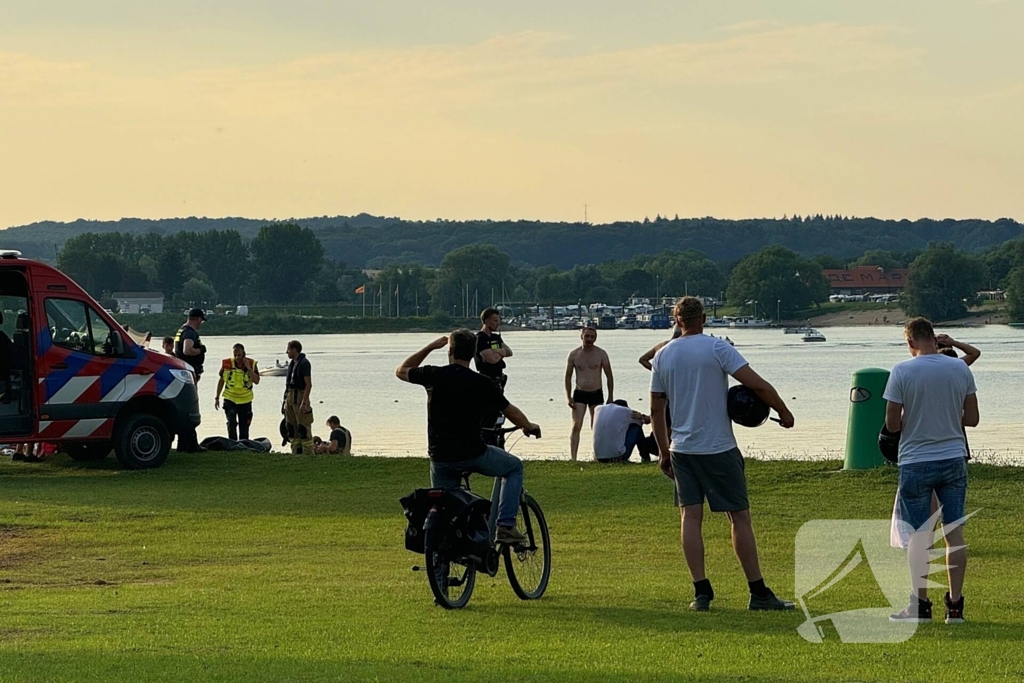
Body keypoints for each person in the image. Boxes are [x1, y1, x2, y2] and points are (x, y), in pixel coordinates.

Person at [650, 296, 795, 612]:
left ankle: (701, 592)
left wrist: (663, 450)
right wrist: (782, 410)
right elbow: (758, 385)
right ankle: (758, 592)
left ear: (677, 321)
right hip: (717, 447)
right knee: (739, 517)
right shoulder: (717, 348)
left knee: (690, 517)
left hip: (681, 449)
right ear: (702, 318)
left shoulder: (663, 356)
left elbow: (656, 408)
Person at [396, 329, 541, 545]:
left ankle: (441, 569)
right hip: (473, 453)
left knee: (446, 510)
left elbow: (402, 370)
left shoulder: (434, 375)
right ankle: (506, 525)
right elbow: (510, 411)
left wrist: (429, 347)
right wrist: (528, 426)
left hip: (440, 457)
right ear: (473, 353)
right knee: (513, 468)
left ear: (450, 350)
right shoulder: (482, 383)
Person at [884, 317, 978, 625]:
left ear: (910, 342)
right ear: (935, 338)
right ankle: (955, 606)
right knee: (954, 532)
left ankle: (920, 606)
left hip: (916, 460)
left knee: (920, 537)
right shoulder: (959, 369)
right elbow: (972, 418)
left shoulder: (902, 371)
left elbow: (893, 424)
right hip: (952, 458)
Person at [565, 327, 613, 461]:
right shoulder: (574, 354)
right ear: (582, 337)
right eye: (587, 336)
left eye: (592, 337)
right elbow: (568, 377)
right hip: (580, 393)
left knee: (596, 427)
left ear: (595, 338)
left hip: (596, 393)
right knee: (576, 425)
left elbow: (609, 376)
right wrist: (568, 396)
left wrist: (610, 396)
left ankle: (597, 456)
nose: (589, 339)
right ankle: (573, 457)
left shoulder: (601, 354)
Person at [173, 309, 207, 452]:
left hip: (182, 372)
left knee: (185, 407)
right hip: (188, 373)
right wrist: (200, 351)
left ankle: (184, 444)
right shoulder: (189, 332)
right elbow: (187, 350)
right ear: (197, 318)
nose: (201, 323)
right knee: (190, 407)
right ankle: (191, 444)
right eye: (201, 320)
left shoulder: (181, 330)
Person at [214, 343, 260, 441]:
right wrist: (217, 397)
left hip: (245, 400)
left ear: (244, 353)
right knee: (231, 422)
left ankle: (244, 444)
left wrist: (249, 368)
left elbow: (256, 381)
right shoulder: (227, 364)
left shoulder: (252, 364)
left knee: (244, 425)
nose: (237, 357)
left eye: (239, 355)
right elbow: (221, 380)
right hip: (230, 398)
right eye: (235, 355)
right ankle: (232, 444)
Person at [593, 399, 657, 463]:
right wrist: (641, 416)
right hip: (617, 457)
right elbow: (642, 422)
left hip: (599, 457)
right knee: (637, 428)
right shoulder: (626, 411)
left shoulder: (598, 409)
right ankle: (645, 458)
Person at [282, 340, 314, 455]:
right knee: (291, 427)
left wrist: (304, 402)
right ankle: (296, 453)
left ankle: (308, 454)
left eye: (289, 349)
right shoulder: (292, 364)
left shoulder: (304, 363)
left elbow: (308, 384)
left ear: (295, 349)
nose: (287, 352)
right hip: (290, 396)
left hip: (300, 396)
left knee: (303, 428)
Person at [475, 308, 512, 391]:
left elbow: (509, 352)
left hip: (499, 377)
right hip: (487, 378)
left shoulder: (495, 337)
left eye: (498, 320)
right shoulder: (481, 338)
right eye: (495, 321)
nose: (498, 323)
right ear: (486, 321)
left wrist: (497, 351)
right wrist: (502, 353)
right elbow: (492, 359)